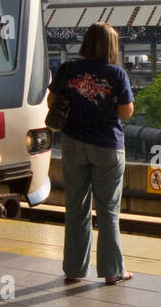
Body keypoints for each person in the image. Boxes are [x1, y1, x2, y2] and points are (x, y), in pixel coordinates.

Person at [52, 23, 134, 284]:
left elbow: (50, 103)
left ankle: (75, 270)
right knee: (108, 210)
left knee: (76, 207)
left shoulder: (68, 70)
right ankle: (112, 271)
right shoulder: (116, 74)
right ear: (112, 47)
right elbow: (126, 112)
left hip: (74, 144)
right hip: (107, 148)